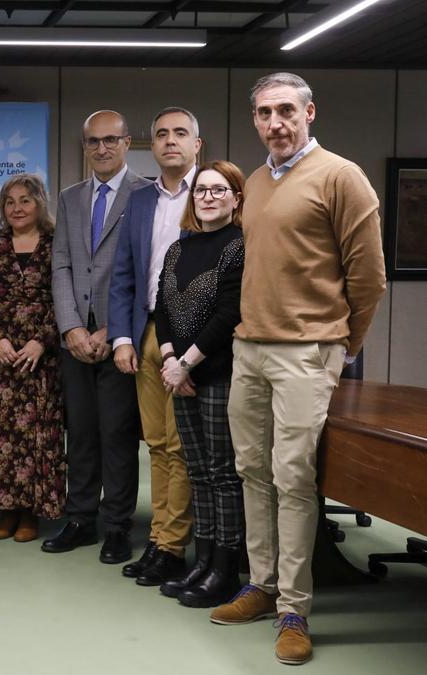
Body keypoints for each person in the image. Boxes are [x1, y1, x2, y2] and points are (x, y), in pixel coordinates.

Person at [209, 72, 386, 667]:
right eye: (263, 113)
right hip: (249, 348)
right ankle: (260, 586)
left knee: (292, 477)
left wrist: (340, 347)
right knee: (252, 471)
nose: (274, 123)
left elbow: (368, 278)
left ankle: (294, 608)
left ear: (311, 112)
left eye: (286, 110)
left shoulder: (341, 176)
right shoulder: (256, 182)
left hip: (307, 352)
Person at [45, 110, 147, 564]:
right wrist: (70, 327)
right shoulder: (69, 198)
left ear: (127, 143)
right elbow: (61, 264)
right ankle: (81, 518)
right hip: (76, 338)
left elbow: (147, 272)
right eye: (93, 142)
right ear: (83, 146)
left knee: (117, 434)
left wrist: (115, 330)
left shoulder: (147, 195)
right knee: (81, 432)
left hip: (121, 338)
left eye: (110, 140)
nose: (101, 149)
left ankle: (118, 526)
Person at [108, 107, 202, 587]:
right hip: (145, 332)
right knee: (158, 446)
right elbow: (124, 272)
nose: (169, 141)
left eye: (180, 133)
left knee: (182, 447)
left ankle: (171, 547)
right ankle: (159, 540)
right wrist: (122, 337)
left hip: (188, 341)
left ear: (196, 145)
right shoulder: (141, 200)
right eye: (161, 133)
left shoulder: (210, 195)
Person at [152, 160, 246, 608]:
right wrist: (170, 359)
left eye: (219, 190)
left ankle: (225, 572)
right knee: (198, 471)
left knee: (224, 474)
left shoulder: (240, 246)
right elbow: (162, 308)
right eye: (202, 191)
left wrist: (187, 364)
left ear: (236, 198)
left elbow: (231, 315)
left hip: (218, 374)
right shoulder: (178, 248)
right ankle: (203, 562)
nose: (208, 197)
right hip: (180, 374)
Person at [0, 174, 65, 543]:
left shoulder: (57, 244)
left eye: (25, 200)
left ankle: (30, 514)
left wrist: (43, 340)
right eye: (10, 202)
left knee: (36, 436)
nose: (17, 208)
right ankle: (4, 511)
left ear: (39, 203)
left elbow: (65, 298)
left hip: (40, 358)